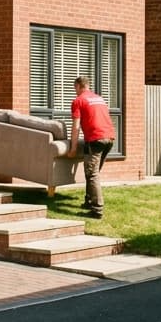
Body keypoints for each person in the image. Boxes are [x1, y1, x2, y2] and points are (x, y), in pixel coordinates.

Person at [67, 75, 116, 219]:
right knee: (92, 172)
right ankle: (89, 202)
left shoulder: (78, 100)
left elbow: (76, 127)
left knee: (92, 174)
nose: (74, 91)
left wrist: (73, 148)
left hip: (95, 139)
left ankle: (97, 209)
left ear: (78, 86)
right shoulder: (99, 98)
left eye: (74, 88)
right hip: (109, 138)